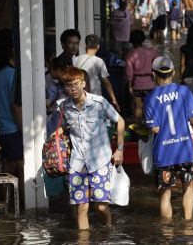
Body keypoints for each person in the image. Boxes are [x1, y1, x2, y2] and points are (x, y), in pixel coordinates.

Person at [144, 56, 193, 220]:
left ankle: (167, 234)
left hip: (163, 154)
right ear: (173, 73)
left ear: (153, 75)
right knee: (188, 188)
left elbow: (153, 127)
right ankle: (188, 226)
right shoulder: (183, 92)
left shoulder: (150, 98)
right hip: (184, 151)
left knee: (165, 195)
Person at [57, 67, 125, 230]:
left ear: (83, 83)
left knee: (100, 207)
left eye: (75, 84)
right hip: (77, 164)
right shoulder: (64, 106)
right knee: (81, 208)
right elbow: (66, 127)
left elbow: (120, 120)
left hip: (100, 162)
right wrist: (55, 134)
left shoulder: (99, 103)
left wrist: (120, 149)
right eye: (68, 85)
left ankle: (108, 232)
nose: (72, 89)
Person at [0, 28, 24, 209]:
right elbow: (15, 105)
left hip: (1, 128)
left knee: (7, 171)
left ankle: (6, 206)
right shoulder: (13, 73)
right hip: (13, 128)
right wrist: (23, 129)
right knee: (23, 170)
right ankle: (25, 208)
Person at [73, 34, 120, 111]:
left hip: (78, 97)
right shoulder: (99, 61)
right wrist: (113, 99)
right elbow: (106, 82)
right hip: (94, 99)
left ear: (85, 45)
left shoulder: (75, 59)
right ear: (98, 46)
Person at [125, 29, 159, 122]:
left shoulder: (130, 54)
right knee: (151, 107)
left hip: (137, 85)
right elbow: (159, 61)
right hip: (150, 84)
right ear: (143, 40)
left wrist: (129, 86)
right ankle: (151, 127)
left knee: (138, 108)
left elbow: (129, 74)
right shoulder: (151, 52)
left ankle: (138, 130)